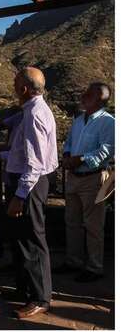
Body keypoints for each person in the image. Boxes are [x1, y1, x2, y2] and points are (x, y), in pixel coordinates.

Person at [0, 67, 58, 319]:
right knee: (20, 238)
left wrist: (20, 196)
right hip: (23, 180)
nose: (12, 86)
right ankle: (24, 289)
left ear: (24, 89)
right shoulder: (27, 111)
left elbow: (35, 162)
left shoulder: (35, 115)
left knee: (33, 240)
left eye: (15, 83)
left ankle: (41, 298)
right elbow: (18, 146)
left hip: (30, 184)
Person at [55, 82, 115, 282]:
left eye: (87, 94)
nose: (83, 96)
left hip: (94, 177)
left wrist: (79, 159)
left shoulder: (109, 122)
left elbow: (106, 150)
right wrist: (67, 155)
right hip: (74, 177)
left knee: (93, 225)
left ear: (99, 98)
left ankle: (94, 267)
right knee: (72, 222)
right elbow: (70, 141)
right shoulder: (79, 119)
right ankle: (74, 261)